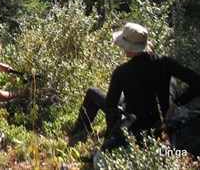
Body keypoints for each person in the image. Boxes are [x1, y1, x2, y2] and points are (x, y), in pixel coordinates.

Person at [69, 22, 200, 147]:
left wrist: (110, 135)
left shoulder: (122, 72)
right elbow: (197, 83)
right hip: (163, 124)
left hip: (134, 126)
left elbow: (111, 107)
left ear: (129, 47)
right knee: (171, 81)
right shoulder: (165, 62)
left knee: (92, 92)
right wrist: (176, 104)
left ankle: (79, 130)